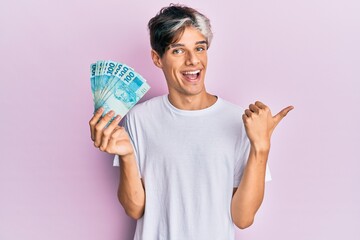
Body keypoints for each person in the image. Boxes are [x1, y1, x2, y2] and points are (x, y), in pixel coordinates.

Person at [89, 4, 293, 240]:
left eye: (200, 48)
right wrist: (126, 156)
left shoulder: (242, 121)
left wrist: (261, 147)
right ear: (157, 58)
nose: (193, 60)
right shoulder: (139, 119)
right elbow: (135, 208)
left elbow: (243, 218)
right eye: (178, 50)